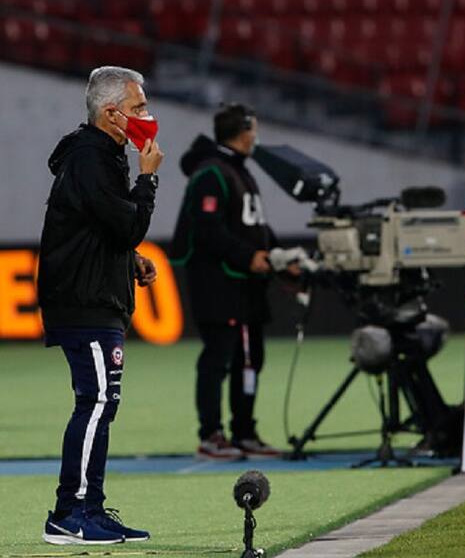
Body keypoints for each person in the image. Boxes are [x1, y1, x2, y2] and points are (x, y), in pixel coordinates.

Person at [37, 66, 164, 545]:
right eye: (137, 108)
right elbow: (127, 222)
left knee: (99, 403)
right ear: (111, 114)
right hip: (84, 302)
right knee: (95, 402)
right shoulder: (93, 157)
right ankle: (70, 513)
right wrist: (148, 181)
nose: (145, 116)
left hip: (92, 295)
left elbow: (96, 227)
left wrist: (128, 259)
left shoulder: (98, 154)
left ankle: (86, 507)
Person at [172, 103, 293, 460]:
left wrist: (282, 258)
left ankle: (244, 431)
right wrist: (249, 257)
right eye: (254, 129)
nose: (256, 136)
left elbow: (254, 226)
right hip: (218, 284)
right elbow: (208, 230)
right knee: (219, 358)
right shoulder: (212, 173)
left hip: (244, 285)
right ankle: (211, 435)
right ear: (243, 132)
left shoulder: (237, 171)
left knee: (249, 358)